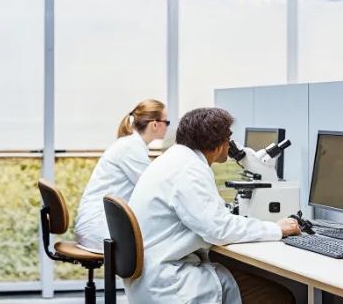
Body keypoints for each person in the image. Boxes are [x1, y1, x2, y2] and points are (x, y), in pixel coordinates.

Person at [124, 107, 301, 304]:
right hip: (170, 283)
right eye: (228, 138)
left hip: (151, 274)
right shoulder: (190, 169)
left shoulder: (174, 158)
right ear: (218, 145)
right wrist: (276, 228)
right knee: (280, 297)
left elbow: (210, 219)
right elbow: (219, 229)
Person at [74, 99, 169, 254]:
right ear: (155, 124)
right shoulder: (130, 148)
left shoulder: (131, 145)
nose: (168, 126)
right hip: (98, 229)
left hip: (96, 226)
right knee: (166, 237)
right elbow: (156, 188)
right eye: (167, 122)